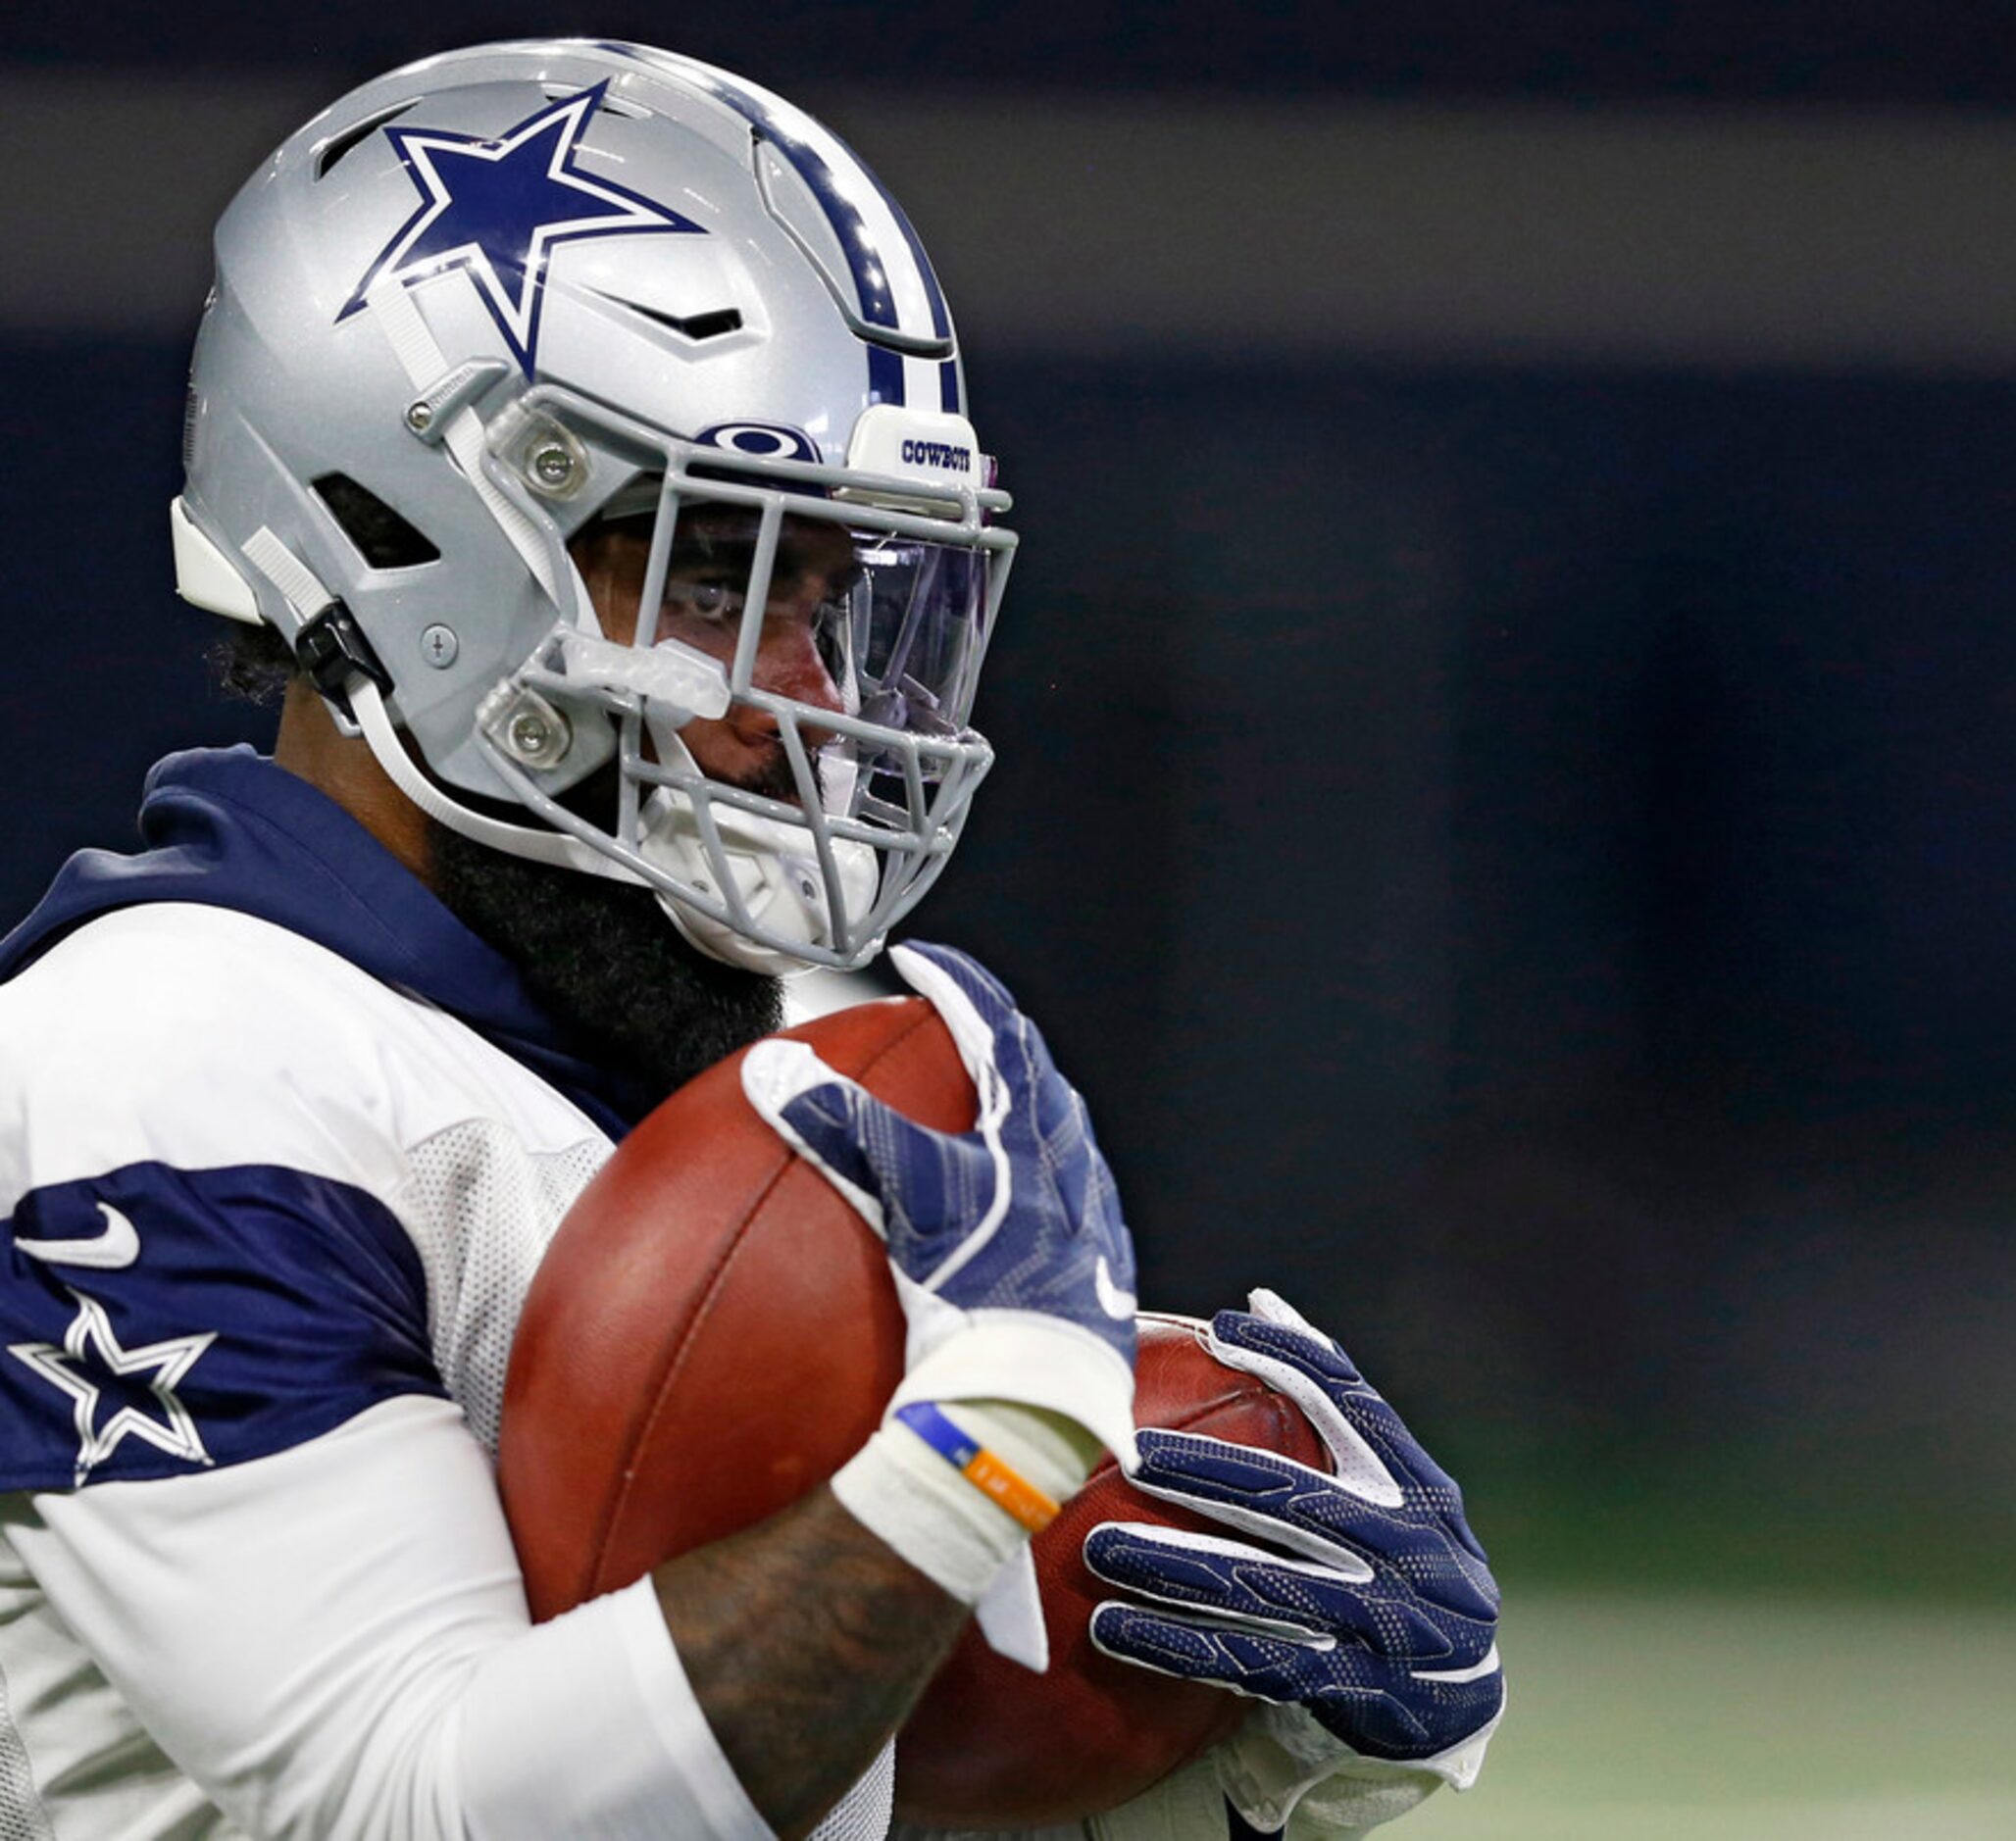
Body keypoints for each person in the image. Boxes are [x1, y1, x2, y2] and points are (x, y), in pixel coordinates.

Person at [0, 39, 1503, 1840]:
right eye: (711, 575)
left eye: (829, 592)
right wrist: (981, 1442)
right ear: (397, 541)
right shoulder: (169, 1054)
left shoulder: (735, 1038)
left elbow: (762, 1770)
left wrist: (1210, 1774)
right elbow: (412, 1800)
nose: (809, 691)